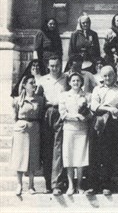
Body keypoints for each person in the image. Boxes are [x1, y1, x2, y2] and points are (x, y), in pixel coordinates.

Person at [89, 65, 118, 195]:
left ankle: (106, 185)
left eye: (110, 75)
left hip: (113, 125)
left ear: (114, 76)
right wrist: (109, 108)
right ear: (101, 77)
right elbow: (94, 106)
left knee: (108, 155)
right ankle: (93, 185)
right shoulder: (97, 89)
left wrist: (111, 110)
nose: (108, 78)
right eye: (105, 76)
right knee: (95, 154)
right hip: (98, 123)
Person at [38, 56, 68, 194]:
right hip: (47, 112)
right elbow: (38, 98)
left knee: (58, 148)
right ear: (48, 66)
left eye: (57, 65)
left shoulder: (66, 79)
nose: (54, 68)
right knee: (47, 148)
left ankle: (57, 184)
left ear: (60, 66)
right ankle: (48, 183)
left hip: (60, 113)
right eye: (52, 65)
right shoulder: (43, 80)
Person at [10, 75, 43, 196]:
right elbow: (14, 117)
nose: (33, 85)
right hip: (21, 129)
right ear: (24, 85)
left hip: (34, 128)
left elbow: (40, 115)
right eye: (31, 83)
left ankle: (31, 185)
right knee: (19, 157)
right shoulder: (18, 100)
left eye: (34, 83)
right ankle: (19, 184)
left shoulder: (39, 99)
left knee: (32, 156)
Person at [59, 73, 91, 195]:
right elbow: (63, 114)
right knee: (70, 157)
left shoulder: (87, 96)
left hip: (82, 130)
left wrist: (86, 117)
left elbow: (91, 112)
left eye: (78, 80)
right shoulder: (64, 96)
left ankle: (79, 185)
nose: (76, 83)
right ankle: (71, 185)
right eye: (73, 80)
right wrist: (75, 116)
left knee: (81, 158)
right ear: (69, 82)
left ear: (81, 82)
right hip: (69, 129)